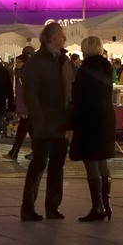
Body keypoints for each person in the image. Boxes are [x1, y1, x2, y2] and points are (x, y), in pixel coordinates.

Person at [22, 21, 75, 220]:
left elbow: (70, 91)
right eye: (62, 35)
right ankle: (28, 207)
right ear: (51, 38)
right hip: (45, 121)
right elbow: (31, 93)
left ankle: (53, 206)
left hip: (62, 121)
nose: (64, 38)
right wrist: (38, 118)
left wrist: (70, 119)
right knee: (38, 163)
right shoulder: (36, 62)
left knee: (57, 165)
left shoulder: (63, 61)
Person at [69, 35, 116, 222]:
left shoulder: (85, 69)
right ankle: (107, 204)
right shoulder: (107, 67)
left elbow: (80, 96)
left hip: (90, 118)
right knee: (102, 160)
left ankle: (98, 206)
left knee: (90, 161)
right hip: (106, 116)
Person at [6, 45, 35, 160]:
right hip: (26, 108)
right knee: (28, 131)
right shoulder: (19, 74)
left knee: (24, 131)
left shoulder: (24, 75)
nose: (17, 64)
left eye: (19, 62)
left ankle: (14, 152)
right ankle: (15, 152)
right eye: (16, 61)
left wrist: (23, 109)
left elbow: (26, 93)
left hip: (27, 109)